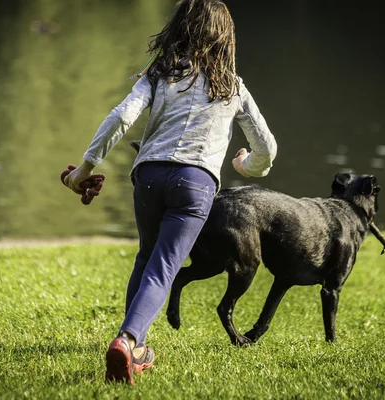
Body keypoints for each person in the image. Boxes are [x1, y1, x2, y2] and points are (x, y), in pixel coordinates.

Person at [62, 0, 277, 385]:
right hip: (195, 185)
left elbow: (121, 116)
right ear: (224, 38)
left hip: (149, 177)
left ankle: (134, 348)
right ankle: (127, 342)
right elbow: (267, 149)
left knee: (146, 258)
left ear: (179, 28)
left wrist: (85, 169)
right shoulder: (233, 85)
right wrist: (245, 166)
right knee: (163, 267)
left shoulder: (160, 74)